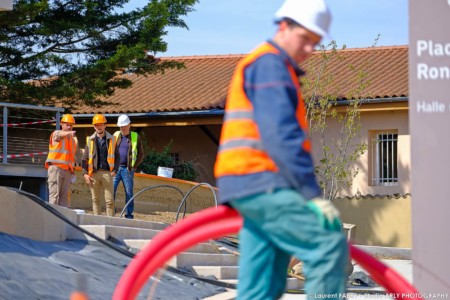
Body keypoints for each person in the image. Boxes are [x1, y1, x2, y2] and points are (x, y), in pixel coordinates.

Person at [214, 0, 348, 299]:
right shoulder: (270, 65)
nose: (311, 49)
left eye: (316, 42)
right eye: (306, 39)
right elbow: (281, 135)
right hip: (263, 182)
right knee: (327, 244)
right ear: (284, 26)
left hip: (247, 184)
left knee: (262, 285)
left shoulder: (272, 66)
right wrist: (311, 195)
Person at [81, 114, 119, 217]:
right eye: (97, 125)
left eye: (101, 124)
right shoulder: (90, 140)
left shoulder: (112, 139)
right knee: (95, 199)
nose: (99, 127)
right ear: (94, 127)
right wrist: (85, 174)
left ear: (105, 125)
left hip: (107, 173)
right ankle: (97, 220)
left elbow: (117, 156)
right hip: (94, 174)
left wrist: (115, 169)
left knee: (110, 200)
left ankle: (110, 221)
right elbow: (85, 158)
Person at [113, 114, 144, 219]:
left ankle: (129, 214)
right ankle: (110, 212)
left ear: (129, 125)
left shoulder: (135, 137)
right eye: (121, 126)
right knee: (111, 190)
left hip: (127, 169)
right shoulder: (116, 136)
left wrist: (134, 166)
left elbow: (140, 154)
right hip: (115, 169)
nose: (123, 128)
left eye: (124, 126)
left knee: (129, 192)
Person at [45, 114, 78, 207]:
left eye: (71, 125)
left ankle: (63, 219)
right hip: (56, 169)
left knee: (64, 198)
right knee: (54, 197)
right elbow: (59, 135)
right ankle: (52, 219)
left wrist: (72, 172)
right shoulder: (56, 134)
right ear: (61, 124)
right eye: (67, 124)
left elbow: (71, 157)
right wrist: (69, 133)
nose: (69, 127)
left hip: (67, 171)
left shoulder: (72, 140)